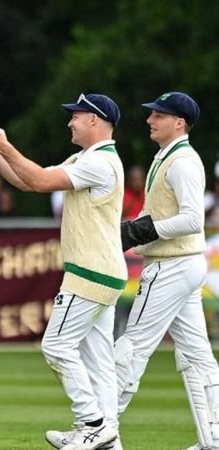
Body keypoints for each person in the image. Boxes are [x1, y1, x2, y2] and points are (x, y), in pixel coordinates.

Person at [0, 93, 126, 450]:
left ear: (95, 120)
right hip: (101, 270)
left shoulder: (100, 163)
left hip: (91, 271)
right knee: (98, 360)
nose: (70, 122)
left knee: (56, 345)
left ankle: (92, 424)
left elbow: (37, 181)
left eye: (76, 116)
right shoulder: (83, 158)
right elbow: (27, 181)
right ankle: (109, 438)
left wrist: (5, 143)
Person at [118, 92, 218, 450]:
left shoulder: (183, 162)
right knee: (196, 355)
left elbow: (193, 219)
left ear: (179, 122)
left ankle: (98, 429)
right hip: (182, 262)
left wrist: (140, 231)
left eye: (158, 115)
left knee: (131, 346)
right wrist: (129, 232)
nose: (150, 120)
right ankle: (215, 439)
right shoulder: (167, 157)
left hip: (173, 264)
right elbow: (155, 213)